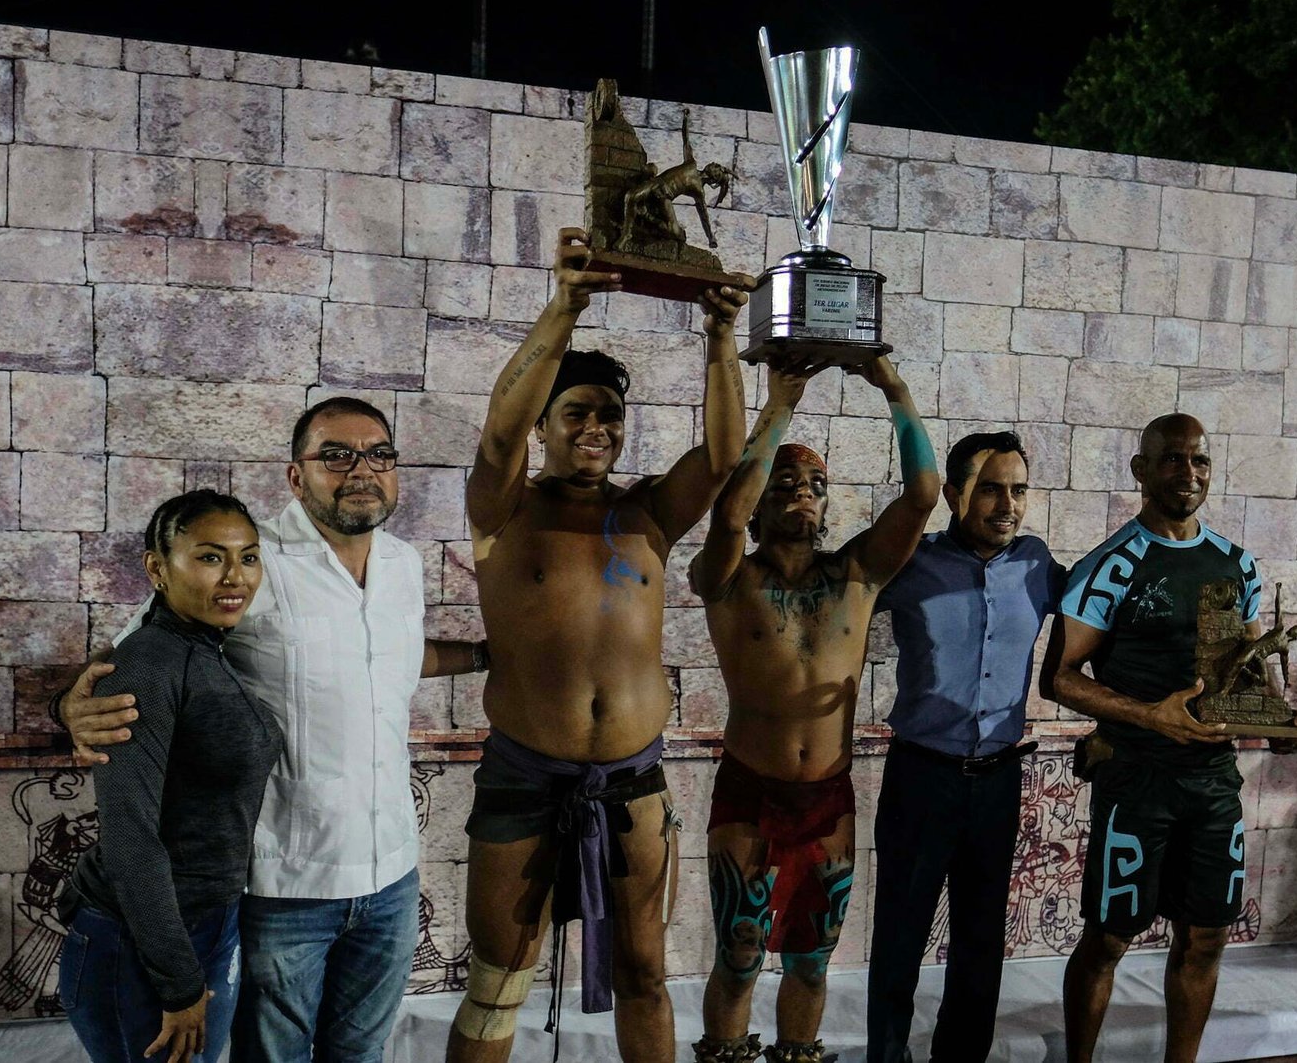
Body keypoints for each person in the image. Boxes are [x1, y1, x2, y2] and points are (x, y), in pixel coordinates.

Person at [58, 397, 486, 1062]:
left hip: (393, 875)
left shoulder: (402, 564)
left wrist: (489, 655)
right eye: (336, 455)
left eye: (378, 454)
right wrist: (70, 706)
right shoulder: (252, 560)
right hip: (289, 883)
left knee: (360, 1055)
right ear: (296, 476)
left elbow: (396, 655)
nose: (361, 470)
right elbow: (137, 652)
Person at [449, 227, 747, 1063]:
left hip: (634, 778)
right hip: (525, 774)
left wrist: (721, 334)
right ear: (546, 425)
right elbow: (497, 439)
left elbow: (725, 455)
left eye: (610, 415)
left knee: (646, 972)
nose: (596, 426)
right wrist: (567, 304)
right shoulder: (503, 508)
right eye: (576, 412)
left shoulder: (646, 511)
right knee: (500, 974)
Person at [689, 359, 939, 1063]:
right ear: (764, 503)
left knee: (810, 958)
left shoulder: (856, 574)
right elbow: (729, 513)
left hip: (828, 796)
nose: (804, 495)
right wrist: (780, 406)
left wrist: (894, 387)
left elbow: (924, 493)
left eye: (817, 487)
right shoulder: (729, 576)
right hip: (750, 790)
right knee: (740, 955)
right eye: (787, 486)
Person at [1041, 413, 1297, 1063]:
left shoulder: (1236, 565)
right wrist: (1151, 716)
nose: (1188, 473)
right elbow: (1059, 679)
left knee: (1207, 937)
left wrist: (1277, 720)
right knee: (1107, 940)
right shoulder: (1111, 565)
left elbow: (1247, 672)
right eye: (1173, 460)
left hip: (1212, 784)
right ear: (1141, 470)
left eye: (1200, 461)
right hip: (1136, 780)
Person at [864, 430, 1064, 1063]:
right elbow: (827, 588)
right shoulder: (908, 561)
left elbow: (1104, 624)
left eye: (1019, 490)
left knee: (981, 943)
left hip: (1000, 781)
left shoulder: (1038, 565)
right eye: (990, 490)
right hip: (921, 777)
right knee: (900, 935)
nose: (1007, 504)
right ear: (952, 494)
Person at [60, 490, 280, 1063]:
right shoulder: (149, 665)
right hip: (142, 943)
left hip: (202, 922)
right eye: (210, 557)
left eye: (248, 557)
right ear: (158, 568)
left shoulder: (203, 648)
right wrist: (179, 984)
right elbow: (131, 838)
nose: (235, 576)